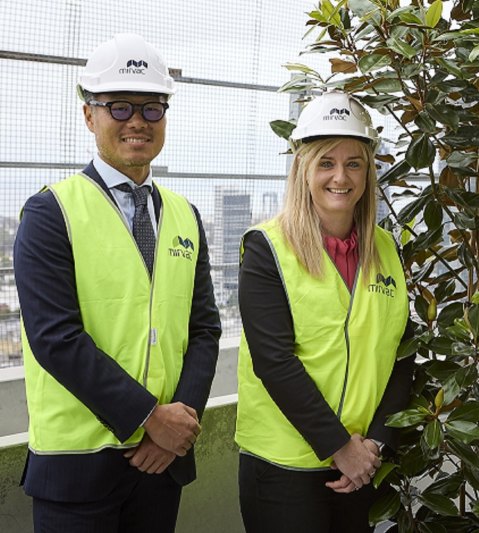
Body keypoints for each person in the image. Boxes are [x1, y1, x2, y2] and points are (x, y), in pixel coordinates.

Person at [14, 33, 221, 533]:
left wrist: (177, 426)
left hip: (161, 467)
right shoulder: (50, 212)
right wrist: (150, 417)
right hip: (78, 470)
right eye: (120, 106)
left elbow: (204, 329)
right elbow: (54, 339)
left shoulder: (185, 216)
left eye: (152, 108)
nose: (137, 121)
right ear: (90, 115)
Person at [236, 90, 413, 532]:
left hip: (361, 466)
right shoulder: (267, 247)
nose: (341, 177)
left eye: (354, 163)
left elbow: (401, 353)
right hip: (285, 468)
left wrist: (373, 445)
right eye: (326, 163)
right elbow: (274, 362)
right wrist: (340, 447)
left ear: (369, 171)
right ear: (303, 169)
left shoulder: (387, 249)